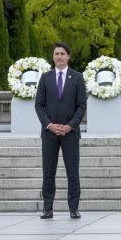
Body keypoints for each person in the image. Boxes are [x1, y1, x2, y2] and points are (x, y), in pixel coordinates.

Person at [35, 41, 87, 219]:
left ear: (68, 56)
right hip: (49, 133)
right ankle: (47, 208)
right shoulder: (45, 77)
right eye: (56, 54)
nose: (59, 57)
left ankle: (74, 208)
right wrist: (48, 125)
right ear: (53, 56)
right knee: (48, 172)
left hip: (70, 133)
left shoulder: (77, 77)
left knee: (73, 172)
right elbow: (39, 105)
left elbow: (81, 106)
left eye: (62, 54)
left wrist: (70, 125)